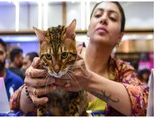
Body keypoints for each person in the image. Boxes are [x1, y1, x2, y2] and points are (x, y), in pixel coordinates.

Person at [9, 2, 149, 116]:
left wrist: (88, 80)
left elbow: (147, 104)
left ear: (120, 36)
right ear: (88, 29)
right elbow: (14, 103)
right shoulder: (59, 54)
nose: (103, 19)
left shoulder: (123, 71)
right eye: (98, 14)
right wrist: (30, 89)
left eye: (112, 18)